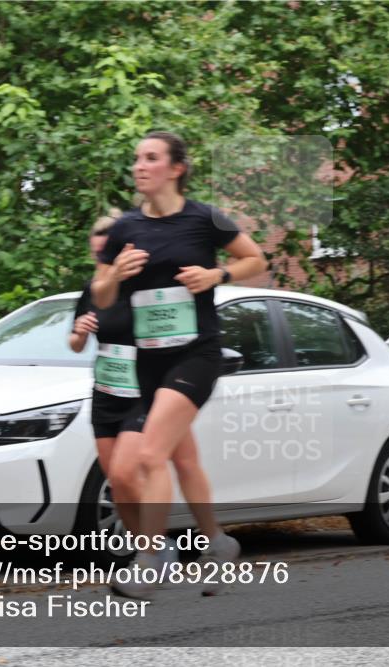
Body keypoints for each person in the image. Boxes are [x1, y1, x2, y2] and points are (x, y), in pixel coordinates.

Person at [92, 131, 268, 598]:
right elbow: (101, 295)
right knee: (183, 460)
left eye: (150, 158)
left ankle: (150, 561)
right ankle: (216, 542)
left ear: (176, 169)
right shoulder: (124, 229)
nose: (139, 166)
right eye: (136, 159)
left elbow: (255, 259)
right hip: (150, 362)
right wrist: (115, 274)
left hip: (196, 354)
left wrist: (217, 274)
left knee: (149, 456)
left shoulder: (204, 218)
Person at [69, 208, 235, 564]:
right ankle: (176, 547)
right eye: (100, 255)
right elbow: (75, 340)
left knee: (137, 468)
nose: (105, 259)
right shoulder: (95, 290)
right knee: (123, 482)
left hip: (145, 389)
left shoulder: (145, 281)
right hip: (108, 392)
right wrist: (80, 333)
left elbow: (172, 322)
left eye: (110, 252)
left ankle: (155, 554)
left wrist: (209, 276)